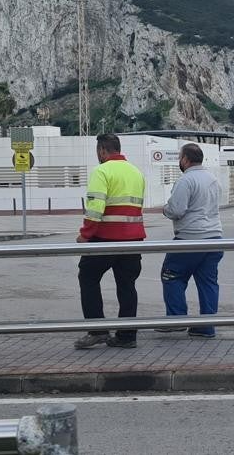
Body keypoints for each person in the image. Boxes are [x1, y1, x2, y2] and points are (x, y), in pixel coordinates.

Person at [74, 134, 146, 350]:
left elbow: (95, 208)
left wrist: (85, 235)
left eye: (99, 151)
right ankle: (127, 336)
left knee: (87, 277)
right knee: (127, 286)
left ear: (102, 151)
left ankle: (97, 330)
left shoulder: (102, 171)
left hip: (105, 239)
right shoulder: (136, 172)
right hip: (133, 239)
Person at [156, 143, 224, 337]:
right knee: (208, 282)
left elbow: (176, 210)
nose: (180, 161)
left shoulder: (186, 180)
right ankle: (206, 326)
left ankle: (176, 319)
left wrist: (165, 209)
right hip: (215, 238)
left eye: (180, 157)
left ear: (185, 159)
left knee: (171, 275)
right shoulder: (213, 179)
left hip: (190, 238)